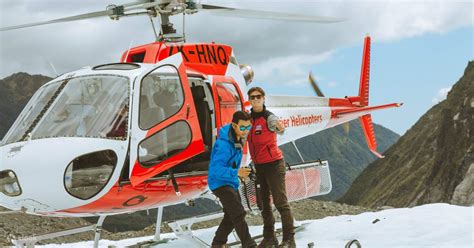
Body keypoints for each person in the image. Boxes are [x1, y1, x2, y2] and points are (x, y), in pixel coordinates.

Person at [247, 87, 296, 248]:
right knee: (263, 205)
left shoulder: (269, 117)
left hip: (274, 164)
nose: (255, 100)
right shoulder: (248, 119)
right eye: (252, 97)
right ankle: (269, 238)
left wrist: (279, 127)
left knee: (280, 202)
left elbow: (280, 128)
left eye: (258, 97)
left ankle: (289, 239)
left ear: (263, 98)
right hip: (259, 166)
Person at [208, 111, 257, 248]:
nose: (246, 131)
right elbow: (216, 170)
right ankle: (249, 244)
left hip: (230, 182)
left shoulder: (237, 138)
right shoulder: (223, 145)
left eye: (249, 127)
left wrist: (243, 172)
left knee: (231, 215)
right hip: (220, 183)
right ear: (234, 126)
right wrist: (237, 172)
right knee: (238, 213)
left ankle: (218, 244)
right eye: (242, 128)